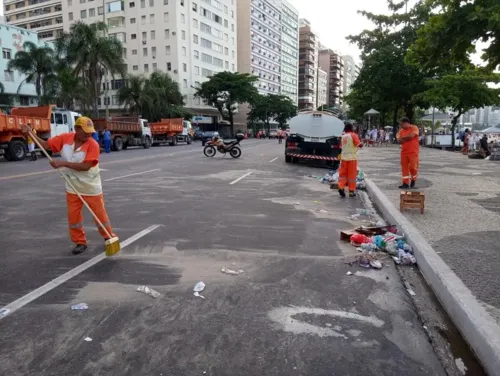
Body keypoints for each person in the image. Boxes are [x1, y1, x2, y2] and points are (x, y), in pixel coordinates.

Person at [21, 117, 116, 255]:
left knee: (100, 215)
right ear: (77, 129)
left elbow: (86, 166)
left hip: (91, 186)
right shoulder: (65, 139)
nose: (88, 135)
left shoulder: (93, 145)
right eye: (85, 132)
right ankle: (80, 242)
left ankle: (109, 236)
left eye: (90, 132)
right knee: (74, 217)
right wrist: (29, 133)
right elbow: (45, 145)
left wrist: (63, 163)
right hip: (72, 185)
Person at [338, 122, 363, 198]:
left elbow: (340, 146)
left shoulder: (343, 137)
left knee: (343, 175)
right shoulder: (353, 135)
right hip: (352, 159)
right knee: (351, 176)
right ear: (352, 129)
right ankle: (351, 191)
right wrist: (361, 142)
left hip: (343, 159)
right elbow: (360, 145)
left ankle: (341, 187)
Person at [397, 117, 419, 189]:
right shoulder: (401, 131)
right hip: (404, 152)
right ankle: (405, 183)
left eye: (402, 124)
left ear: (406, 123)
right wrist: (407, 138)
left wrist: (403, 139)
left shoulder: (414, 128)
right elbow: (399, 141)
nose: (401, 126)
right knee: (404, 168)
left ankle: (413, 180)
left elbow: (411, 136)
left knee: (413, 167)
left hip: (413, 152)